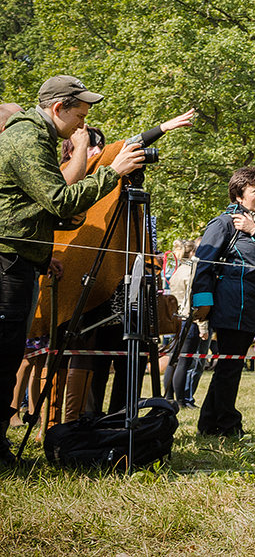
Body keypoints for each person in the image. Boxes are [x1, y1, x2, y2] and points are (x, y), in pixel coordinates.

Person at [0, 75, 147, 461]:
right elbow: (59, 200)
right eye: (80, 116)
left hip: (23, 257)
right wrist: (111, 172)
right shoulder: (27, 139)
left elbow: (27, 207)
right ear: (57, 109)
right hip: (7, 262)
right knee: (3, 352)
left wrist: (42, 251)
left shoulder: (38, 137)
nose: (83, 125)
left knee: (8, 350)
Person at [190, 166, 255, 436]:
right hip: (230, 305)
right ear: (238, 195)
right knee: (230, 366)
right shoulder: (222, 222)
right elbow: (203, 264)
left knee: (229, 366)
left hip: (254, 306)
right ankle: (226, 424)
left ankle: (210, 424)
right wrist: (203, 303)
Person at [163, 239, 197, 405]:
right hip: (188, 319)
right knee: (184, 360)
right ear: (192, 253)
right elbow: (193, 299)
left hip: (176, 318)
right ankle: (181, 400)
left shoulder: (177, 271)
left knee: (173, 359)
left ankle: (168, 396)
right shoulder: (191, 272)